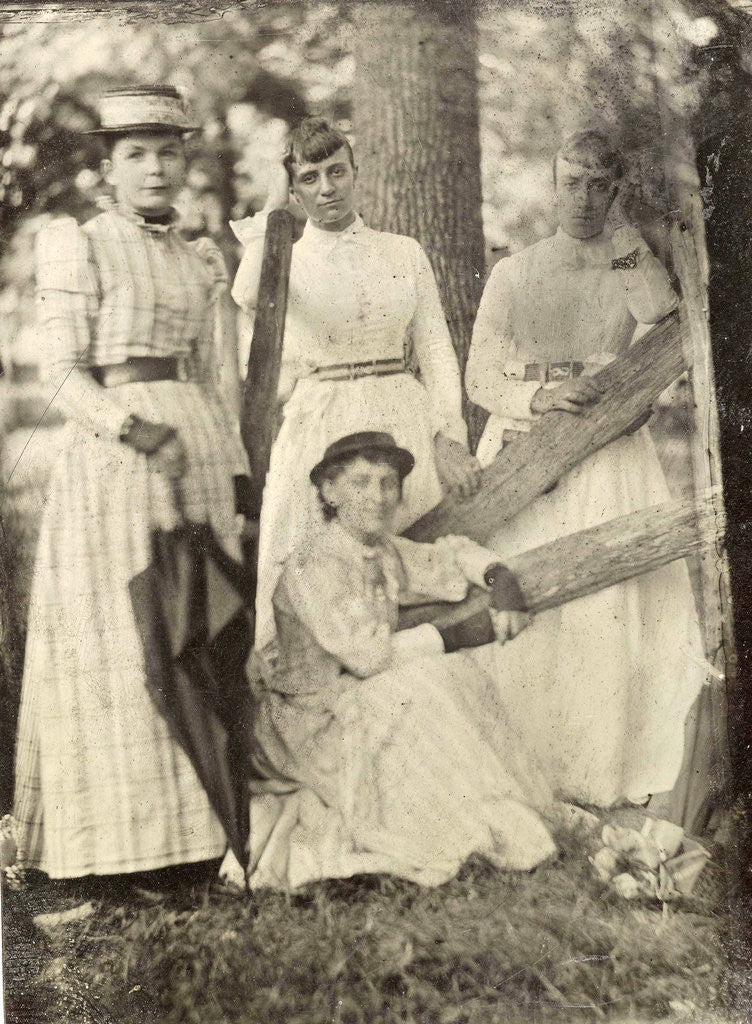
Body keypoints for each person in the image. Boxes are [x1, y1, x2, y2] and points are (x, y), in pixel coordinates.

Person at [13, 87, 251, 880]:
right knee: (131, 631)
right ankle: (124, 850)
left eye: (168, 151)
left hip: (202, 451)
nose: (156, 167)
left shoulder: (198, 255)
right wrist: (132, 429)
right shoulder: (78, 244)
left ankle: (203, 838)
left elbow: (219, 378)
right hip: (118, 457)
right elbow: (59, 373)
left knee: (201, 621)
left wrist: (240, 474)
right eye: (137, 153)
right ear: (108, 167)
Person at [464, 129, 705, 809]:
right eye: (572, 182)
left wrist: (624, 240)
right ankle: (529, 769)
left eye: (600, 185)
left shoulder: (627, 263)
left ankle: (597, 769)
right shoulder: (515, 271)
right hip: (529, 441)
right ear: (553, 184)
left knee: (606, 609)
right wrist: (536, 397)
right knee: (527, 597)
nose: (584, 198)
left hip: (608, 442)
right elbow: (481, 371)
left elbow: (659, 316)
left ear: (616, 191)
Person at [226, 431, 558, 890]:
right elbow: (366, 658)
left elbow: (449, 555)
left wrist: (499, 577)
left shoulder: (381, 548)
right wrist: (455, 635)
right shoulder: (314, 561)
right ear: (329, 492)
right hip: (309, 718)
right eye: (360, 483)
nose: (378, 497)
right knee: (427, 684)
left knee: (442, 680)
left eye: (388, 483)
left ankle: (486, 819)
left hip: (355, 698)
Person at [230, 117, 481, 649]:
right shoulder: (287, 258)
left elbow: (436, 351)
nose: (327, 189)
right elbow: (247, 294)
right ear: (295, 188)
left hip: (401, 417)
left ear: (356, 173)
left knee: (410, 559)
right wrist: (273, 204)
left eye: (337, 172)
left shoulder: (403, 252)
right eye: (310, 178)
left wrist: (448, 435)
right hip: (324, 422)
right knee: (314, 563)